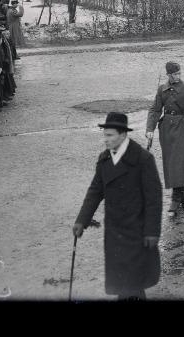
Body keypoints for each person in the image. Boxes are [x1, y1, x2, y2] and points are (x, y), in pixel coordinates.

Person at [73, 112, 162, 300]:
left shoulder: (142, 159)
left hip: (136, 232)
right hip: (114, 233)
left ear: (122, 135)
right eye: (105, 135)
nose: (105, 139)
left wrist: (152, 231)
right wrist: (82, 219)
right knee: (124, 284)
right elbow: (95, 191)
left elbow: (154, 198)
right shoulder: (104, 159)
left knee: (133, 286)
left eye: (110, 135)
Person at [146, 62, 184, 213]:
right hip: (166, 131)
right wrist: (150, 129)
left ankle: (176, 196)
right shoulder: (162, 90)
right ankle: (182, 194)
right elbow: (155, 109)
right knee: (171, 164)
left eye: (179, 73)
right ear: (169, 75)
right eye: (174, 74)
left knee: (178, 162)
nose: (178, 76)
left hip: (181, 129)